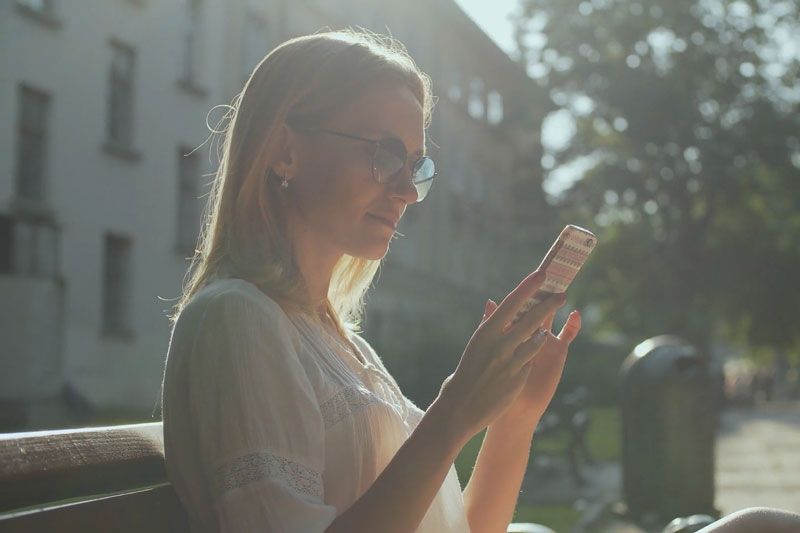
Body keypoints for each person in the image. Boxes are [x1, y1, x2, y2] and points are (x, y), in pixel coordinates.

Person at [159, 28, 580, 533]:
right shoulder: (235, 318)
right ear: (285, 150)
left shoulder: (344, 347)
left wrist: (517, 415)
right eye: (384, 154)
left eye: (415, 166)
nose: (406, 190)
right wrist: (452, 412)